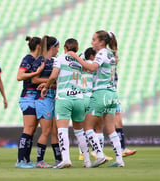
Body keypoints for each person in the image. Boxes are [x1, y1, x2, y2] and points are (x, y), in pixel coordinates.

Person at [41, 38, 106, 169]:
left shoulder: (60, 58)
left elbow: (53, 76)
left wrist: (46, 87)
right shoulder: (80, 60)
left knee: (62, 129)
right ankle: (87, 161)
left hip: (64, 98)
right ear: (76, 48)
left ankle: (66, 159)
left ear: (65, 48)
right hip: (79, 98)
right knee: (79, 131)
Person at [67, 30, 125, 167]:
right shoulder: (111, 54)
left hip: (101, 93)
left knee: (87, 127)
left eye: (94, 40)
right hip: (112, 94)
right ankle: (119, 160)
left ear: (101, 42)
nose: (92, 42)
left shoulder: (102, 53)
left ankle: (99, 155)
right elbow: (98, 70)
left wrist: (76, 57)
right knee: (111, 129)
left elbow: (93, 67)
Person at [31, 35, 62, 168]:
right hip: (43, 98)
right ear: (53, 47)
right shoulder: (40, 60)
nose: (58, 51)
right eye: (57, 48)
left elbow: (56, 82)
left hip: (54, 97)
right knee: (46, 131)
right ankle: (39, 161)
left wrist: (50, 85)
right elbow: (34, 80)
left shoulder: (55, 61)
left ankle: (59, 160)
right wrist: (48, 84)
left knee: (56, 131)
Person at [78, 47, 113, 161]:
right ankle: (98, 152)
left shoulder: (79, 65)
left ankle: (83, 153)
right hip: (91, 97)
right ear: (93, 56)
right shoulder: (93, 66)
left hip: (79, 97)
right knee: (98, 127)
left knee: (82, 128)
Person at [15, 36, 45, 168]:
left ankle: (26, 159)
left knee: (32, 130)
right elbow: (19, 76)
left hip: (34, 96)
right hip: (28, 96)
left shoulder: (37, 59)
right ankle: (20, 160)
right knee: (28, 128)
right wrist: (36, 73)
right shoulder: (28, 59)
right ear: (39, 46)